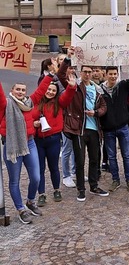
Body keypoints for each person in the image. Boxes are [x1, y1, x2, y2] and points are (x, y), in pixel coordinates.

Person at [1, 75, 54, 223]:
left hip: (30, 143)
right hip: (13, 145)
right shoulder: (6, 104)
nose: (20, 92)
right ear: (12, 90)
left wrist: (50, 75)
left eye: (23, 90)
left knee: (36, 177)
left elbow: (41, 90)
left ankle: (30, 201)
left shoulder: (29, 102)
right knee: (14, 180)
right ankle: (21, 209)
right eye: (17, 89)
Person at [58, 49, 109, 202]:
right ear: (80, 72)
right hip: (79, 129)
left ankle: (94, 186)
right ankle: (81, 189)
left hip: (94, 129)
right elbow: (60, 75)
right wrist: (68, 58)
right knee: (80, 161)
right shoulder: (75, 87)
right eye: (85, 71)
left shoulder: (97, 89)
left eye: (90, 71)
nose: (87, 74)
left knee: (94, 159)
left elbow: (104, 107)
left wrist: (96, 112)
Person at [33, 73, 77, 206]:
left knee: (54, 167)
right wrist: (33, 124)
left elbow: (68, 96)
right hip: (38, 140)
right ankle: (41, 193)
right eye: (49, 89)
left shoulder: (59, 103)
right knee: (40, 168)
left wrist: (71, 87)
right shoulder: (35, 102)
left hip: (53, 139)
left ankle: (56, 190)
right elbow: (27, 118)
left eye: (54, 90)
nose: (51, 92)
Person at [100, 60, 129, 193]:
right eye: (110, 74)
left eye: (115, 74)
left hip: (123, 127)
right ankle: (115, 180)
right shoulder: (100, 90)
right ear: (105, 75)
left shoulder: (122, 86)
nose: (113, 76)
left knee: (127, 155)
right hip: (108, 128)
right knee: (111, 156)